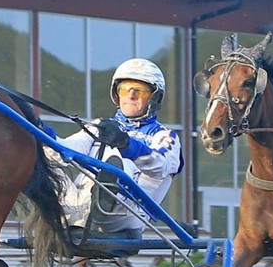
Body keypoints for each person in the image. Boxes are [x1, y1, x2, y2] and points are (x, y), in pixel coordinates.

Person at [49, 58, 184, 236]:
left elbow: (161, 165)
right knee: (44, 161)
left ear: (155, 97)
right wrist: (42, 134)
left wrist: (127, 144)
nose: (131, 96)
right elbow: (67, 149)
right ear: (117, 94)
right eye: (125, 89)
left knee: (122, 165)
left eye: (140, 90)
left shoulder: (164, 135)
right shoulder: (102, 125)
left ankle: (103, 201)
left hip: (126, 216)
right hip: (78, 207)